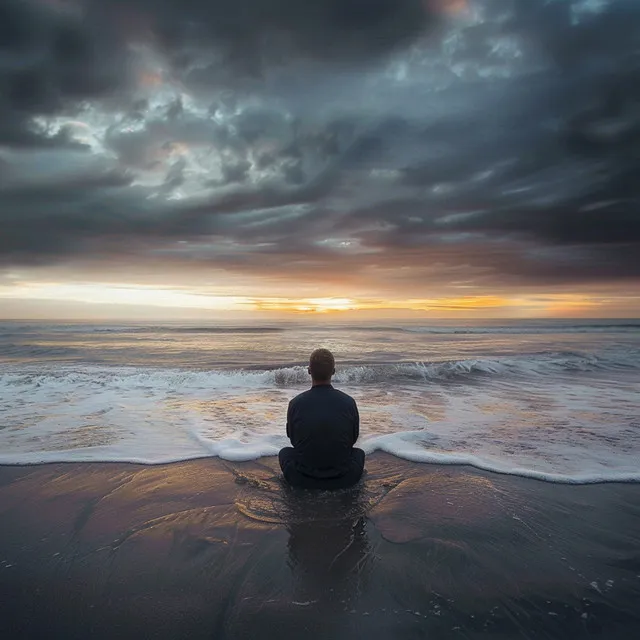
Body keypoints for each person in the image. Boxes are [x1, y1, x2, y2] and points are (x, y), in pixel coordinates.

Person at [279, 348, 365, 490]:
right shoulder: (349, 402)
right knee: (358, 453)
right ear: (333, 371)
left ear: (309, 371)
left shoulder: (296, 403)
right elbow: (353, 439)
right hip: (344, 478)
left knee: (285, 452)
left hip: (301, 478)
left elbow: (293, 439)